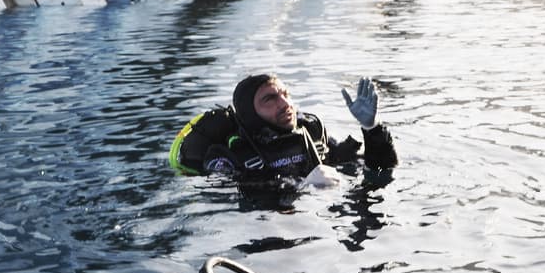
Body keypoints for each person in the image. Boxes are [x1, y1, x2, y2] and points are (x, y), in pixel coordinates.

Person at [170, 73, 398, 186]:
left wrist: (372, 128)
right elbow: (232, 202)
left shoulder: (311, 131)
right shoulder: (230, 155)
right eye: (270, 99)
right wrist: (303, 188)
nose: (285, 104)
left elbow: (379, 168)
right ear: (250, 113)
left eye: (285, 94)